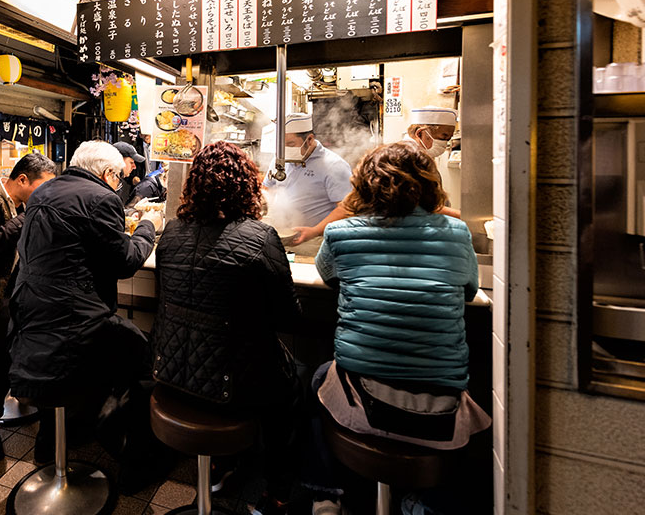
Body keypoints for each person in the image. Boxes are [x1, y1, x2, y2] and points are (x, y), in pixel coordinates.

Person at [311, 141, 490, 512]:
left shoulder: (341, 234)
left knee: (317, 377)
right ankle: (423, 501)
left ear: (362, 186)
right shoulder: (456, 235)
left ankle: (329, 494)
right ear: (428, 184)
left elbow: (328, 276)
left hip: (360, 395)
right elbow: (470, 289)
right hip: (441, 405)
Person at [153, 141, 308, 515]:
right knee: (293, 383)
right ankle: (278, 494)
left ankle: (222, 466)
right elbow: (289, 319)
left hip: (169, 372)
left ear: (194, 186)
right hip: (229, 386)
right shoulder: (260, 237)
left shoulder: (171, 232)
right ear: (247, 186)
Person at [9, 140, 164, 490]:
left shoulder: (43, 194)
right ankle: (127, 453)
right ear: (108, 173)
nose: (120, 184)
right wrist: (147, 227)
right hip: (75, 319)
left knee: (60, 368)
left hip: (32, 313)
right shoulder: (102, 198)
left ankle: (52, 441)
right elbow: (125, 262)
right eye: (119, 178)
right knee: (144, 359)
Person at [0, 152, 57, 461]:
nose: (45, 195)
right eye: (42, 188)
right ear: (21, 180)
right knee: (4, 355)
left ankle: (19, 400)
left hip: (19, 293)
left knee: (17, 351)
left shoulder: (18, 204)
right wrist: (29, 215)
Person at [290, 106, 461, 244]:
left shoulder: (418, 158)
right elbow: (416, 207)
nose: (446, 144)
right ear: (420, 133)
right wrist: (462, 218)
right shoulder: (406, 160)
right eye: (444, 137)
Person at [262, 113, 353, 229]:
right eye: (281, 144)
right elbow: (267, 188)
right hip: (280, 232)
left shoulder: (334, 165)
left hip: (314, 239)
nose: (284, 150)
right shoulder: (279, 159)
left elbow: (346, 209)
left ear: (309, 139)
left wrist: (313, 232)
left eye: (290, 144)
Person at [113, 140, 145, 205]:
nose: (134, 167)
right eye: (131, 162)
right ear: (119, 161)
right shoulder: (108, 184)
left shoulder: (119, 183)